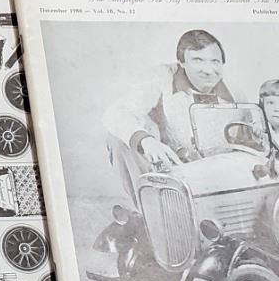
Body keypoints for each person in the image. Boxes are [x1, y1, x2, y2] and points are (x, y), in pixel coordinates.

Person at [101, 29, 236, 175]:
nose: (208, 70)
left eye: (215, 61)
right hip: (169, 171)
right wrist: (146, 140)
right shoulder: (161, 77)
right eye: (198, 60)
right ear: (182, 62)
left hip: (218, 174)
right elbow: (117, 113)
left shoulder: (234, 92)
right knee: (118, 140)